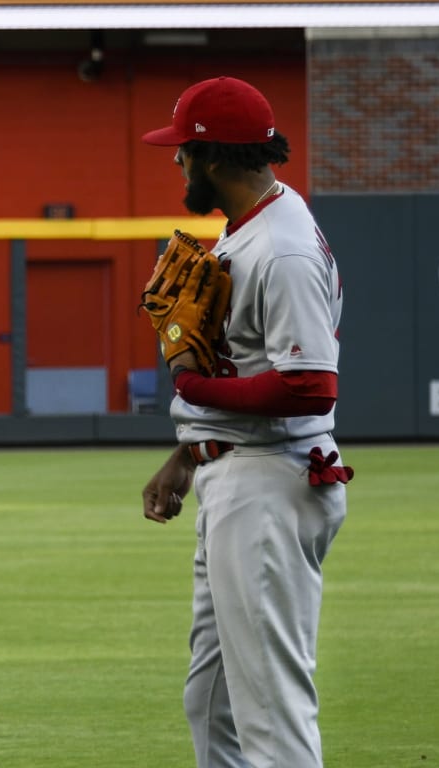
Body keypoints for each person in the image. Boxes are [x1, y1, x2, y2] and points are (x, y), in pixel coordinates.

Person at [138, 76, 352, 768]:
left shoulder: (280, 249)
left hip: (271, 486)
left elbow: (311, 386)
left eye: (183, 150)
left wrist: (190, 383)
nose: (176, 162)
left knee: (270, 710)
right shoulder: (252, 228)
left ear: (212, 156)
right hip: (238, 469)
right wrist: (188, 451)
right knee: (214, 700)